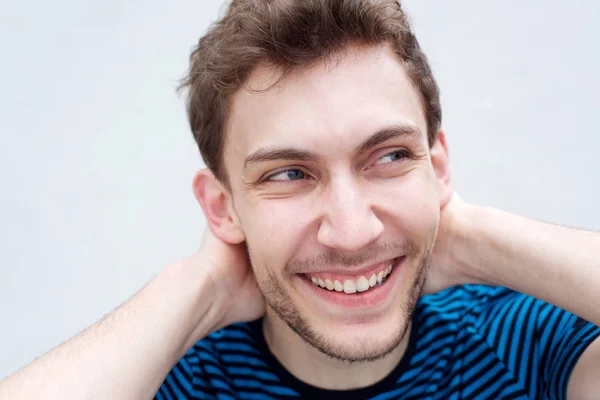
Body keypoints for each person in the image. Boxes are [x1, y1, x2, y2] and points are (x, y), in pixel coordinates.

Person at [1, 0, 599, 399]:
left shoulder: (520, 343)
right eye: (289, 173)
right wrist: (201, 288)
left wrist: (474, 241)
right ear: (223, 208)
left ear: (437, 168)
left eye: (390, 157)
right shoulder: (178, 381)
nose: (353, 230)